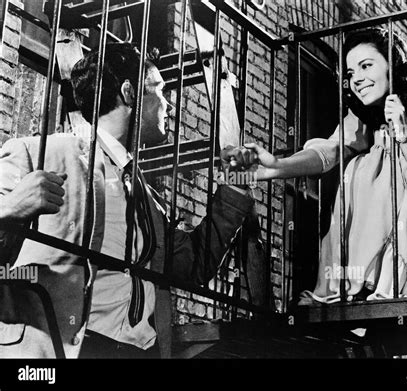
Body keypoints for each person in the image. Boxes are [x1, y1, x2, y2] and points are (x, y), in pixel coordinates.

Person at [0, 43, 256, 358]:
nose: (169, 105)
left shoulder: (148, 198)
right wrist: (8, 211)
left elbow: (192, 265)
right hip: (62, 348)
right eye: (160, 91)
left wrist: (238, 181)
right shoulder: (37, 154)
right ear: (129, 92)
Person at [229, 28, 407, 303]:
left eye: (366, 66)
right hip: (376, 266)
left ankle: (383, 283)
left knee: (374, 164)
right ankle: (356, 285)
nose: (356, 79)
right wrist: (274, 166)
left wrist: (404, 138)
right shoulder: (365, 120)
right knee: (356, 165)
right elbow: (328, 152)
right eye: (350, 73)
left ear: (394, 65)